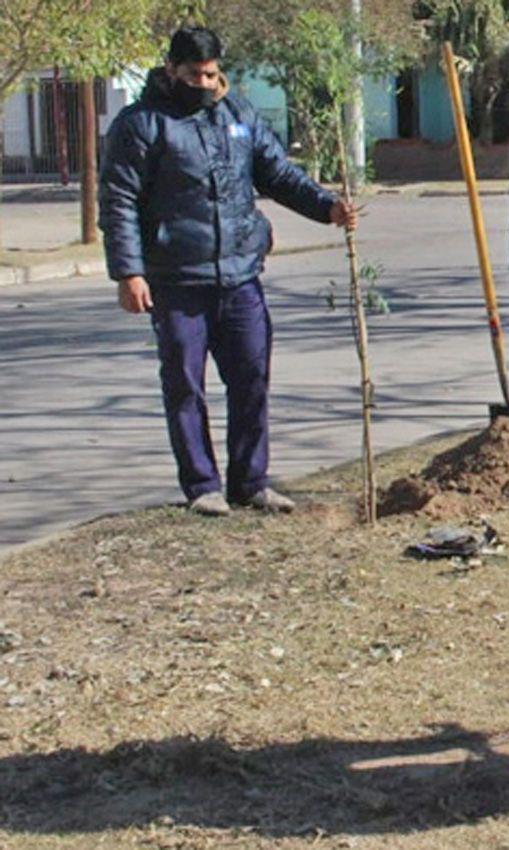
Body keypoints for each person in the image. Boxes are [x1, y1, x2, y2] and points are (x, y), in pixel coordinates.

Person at [100, 26, 357, 517]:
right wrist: (128, 273)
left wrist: (327, 208)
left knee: (252, 377)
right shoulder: (141, 124)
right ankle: (202, 486)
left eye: (212, 73)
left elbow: (277, 174)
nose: (204, 82)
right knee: (185, 385)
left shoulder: (238, 114)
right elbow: (119, 202)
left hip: (240, 275)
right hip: (177, 278)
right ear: (172, 69)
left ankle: (251, 481)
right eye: (194, 74)